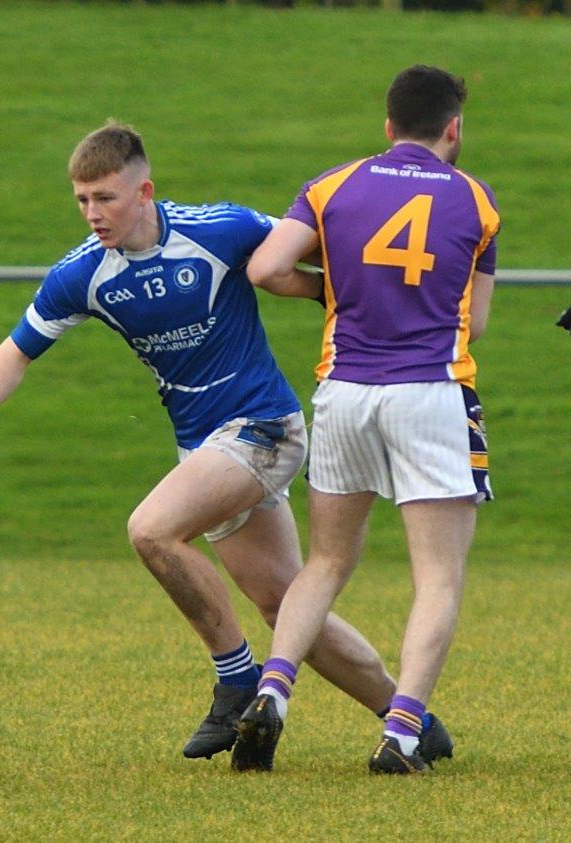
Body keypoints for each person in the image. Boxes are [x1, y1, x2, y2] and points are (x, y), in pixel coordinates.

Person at [0, 122, 452, 764]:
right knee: (284, 606)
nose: (92, 213)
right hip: (206, 449)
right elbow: (17, 349)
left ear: (144, 191)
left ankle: (237, 679)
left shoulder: (219, 229)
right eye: (81, 199)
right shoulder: (82, 274)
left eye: (105, 197)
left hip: (264, 427)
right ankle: (411, 717)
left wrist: (363, 290)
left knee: (151, 529)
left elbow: (322, 246)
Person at [235, 65, 498, 774]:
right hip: (431, 394)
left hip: (344, 390)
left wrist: (334, 292)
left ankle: (272, 691)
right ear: (454, 128)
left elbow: (265, 269)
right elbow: (475, 320)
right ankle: (402, 732)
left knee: (325, 561)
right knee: (437, 576)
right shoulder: (477, 200)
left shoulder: (331, 186)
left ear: (387, 128)